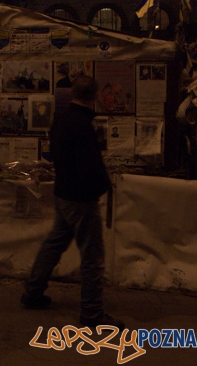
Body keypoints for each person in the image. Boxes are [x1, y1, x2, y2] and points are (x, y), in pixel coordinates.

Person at [22, 75, 124, 331]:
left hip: (63, 193)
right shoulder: (83, 125)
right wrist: (103, 186)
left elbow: (58, 156)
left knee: (54, 244)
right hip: (81, 198)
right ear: (94, 97)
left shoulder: (61, 121)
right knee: (92, 257)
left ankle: (33, 293)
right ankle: (92, 312)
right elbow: (90, 166)